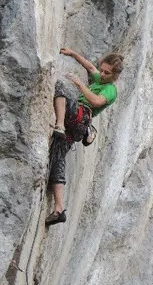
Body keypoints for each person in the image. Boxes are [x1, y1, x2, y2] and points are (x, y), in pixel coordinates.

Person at [46, 48, 123, 226]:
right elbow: (89, 66)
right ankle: (59, 208)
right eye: (102, 70)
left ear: (115, 75)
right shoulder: (100, 77)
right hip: (78, 126)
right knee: (57, 157)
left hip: (81, 117)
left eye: (107, 73)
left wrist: (80, 85)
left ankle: (59, 124)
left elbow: (97, 101)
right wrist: (72, 53)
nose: (102, 74)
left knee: (62, 88)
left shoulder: (111, 89)